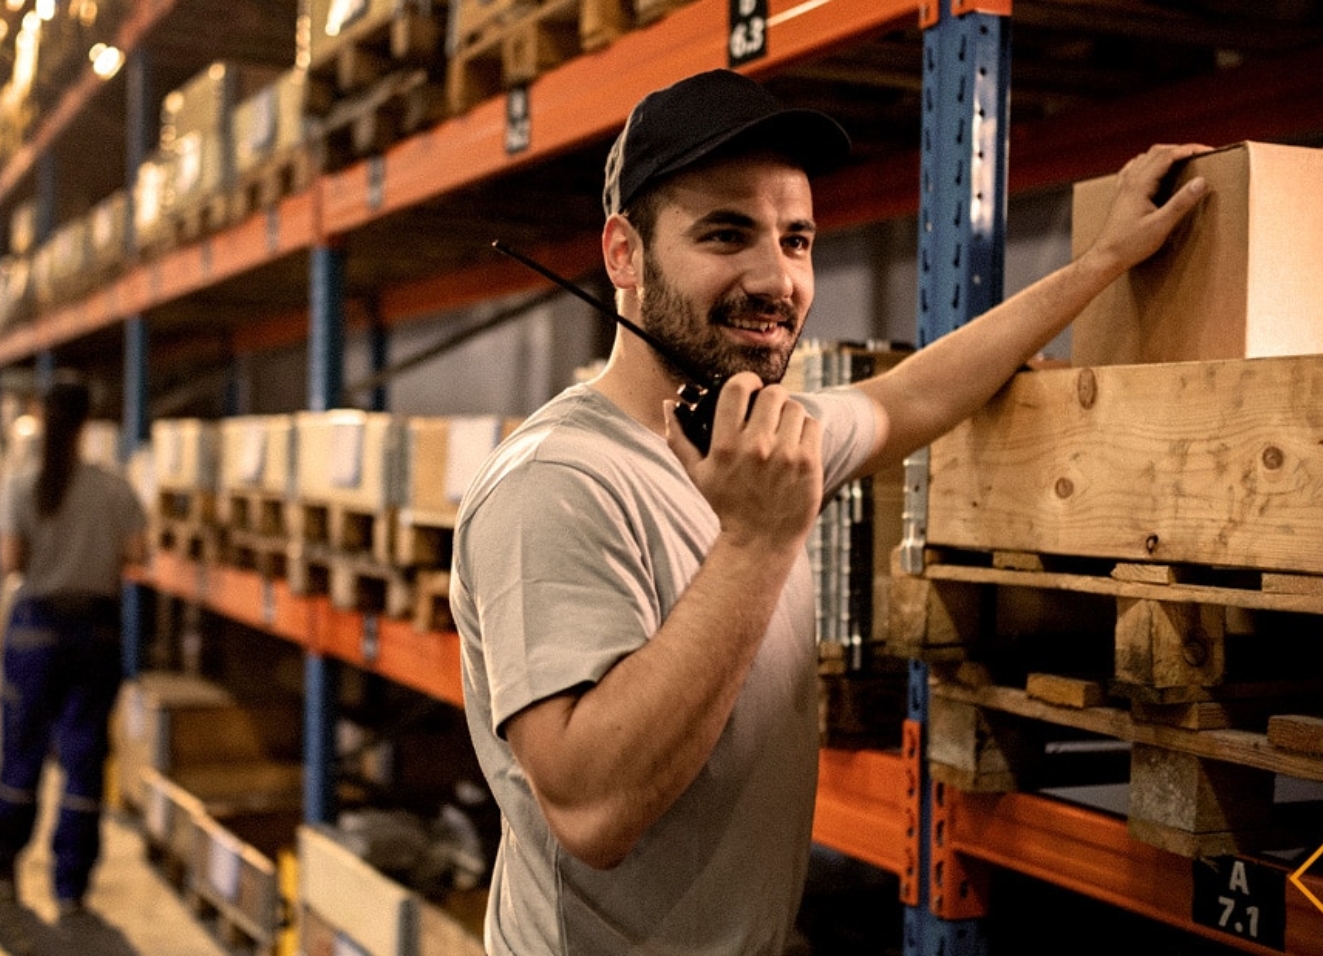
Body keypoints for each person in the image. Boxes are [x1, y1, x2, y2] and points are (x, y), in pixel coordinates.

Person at [448, 68, 1210, 954]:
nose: (777, 278)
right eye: (727, 234)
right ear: (623, 254)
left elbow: (908, 398)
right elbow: (594, 811)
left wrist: (1101, 264)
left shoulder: (762, 437)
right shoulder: (558, 484)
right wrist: (759, 538)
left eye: (799, 239)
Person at [0, 379, 147, 913]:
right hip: (94, 632)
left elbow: (11, 563)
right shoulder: (115, 487)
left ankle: (3, 860)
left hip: (35, 629)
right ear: (87, 424)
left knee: (21, 747)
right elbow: (137, 554)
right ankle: (71, 884)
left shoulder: (20, 484)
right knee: (84, 756)